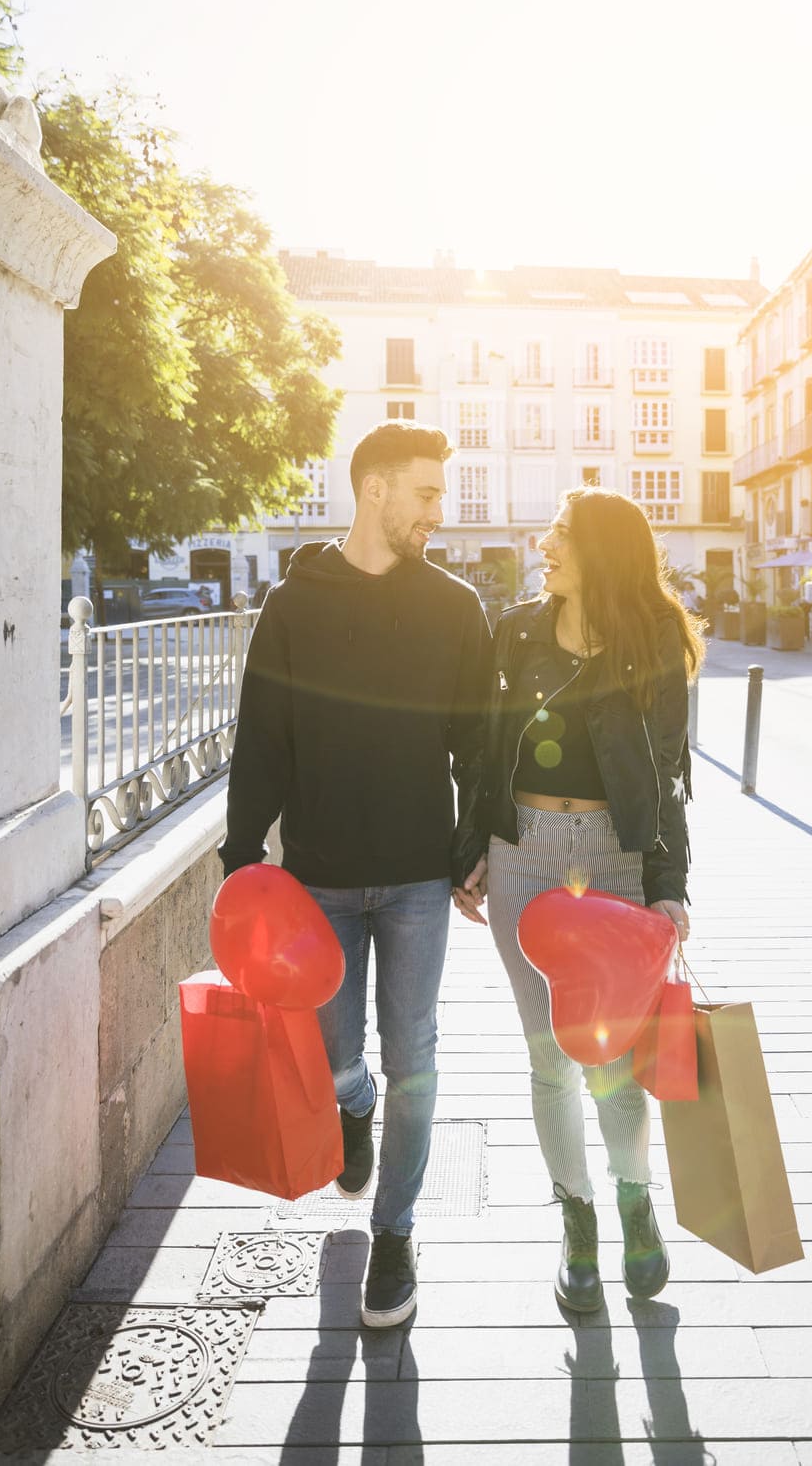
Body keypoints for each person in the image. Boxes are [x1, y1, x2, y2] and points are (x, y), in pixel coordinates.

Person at [219, 421, 490, 1328]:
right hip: (318, 884)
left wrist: (476, 842)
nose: (439, 511)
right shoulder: (294, 606)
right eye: (426, 493)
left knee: (416, 1057)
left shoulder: (456, 607)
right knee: (336, 1060)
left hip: (418, 880)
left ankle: (396, 1235)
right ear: (375, 489)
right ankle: (353, 1105)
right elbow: (262, 740)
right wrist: (241, 860)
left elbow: (478, 742)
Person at [455, 487, 704, 1314]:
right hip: (523, 857)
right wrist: (472, 848)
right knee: (549, 1056)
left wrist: (667, 887)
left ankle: (635, 1203)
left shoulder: (655, 637)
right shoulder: (517, 629)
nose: (545, 545)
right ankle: (577, 1224)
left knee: (612, 1055)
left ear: (601, 550)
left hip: (616, 861)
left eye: (561, 534)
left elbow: (667, 774)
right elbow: (485, 750)